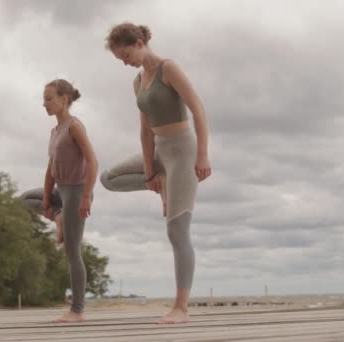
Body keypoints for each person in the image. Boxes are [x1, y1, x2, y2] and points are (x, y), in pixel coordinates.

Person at [100, 22, 212, 324]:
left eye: (124, 55)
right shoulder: (138, 81)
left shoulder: (168, 69)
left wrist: (202, 154)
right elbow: (144, 131)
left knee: (177, 232)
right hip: (159, 151)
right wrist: (150, 172)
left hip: (184, 152)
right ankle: (162, 184)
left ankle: (181, 308)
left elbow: (198, 109)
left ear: (138, 42)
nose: (124, 63)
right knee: (108, 178)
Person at [20, 79, 98, 323]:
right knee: (26, 199)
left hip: (76, 191)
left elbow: (93, 161)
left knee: (72, 252)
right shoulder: (54, 131)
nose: (44, 104)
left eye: (48, 99)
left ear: (64, 99)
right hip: (59, 190)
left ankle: (77, 310)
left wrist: (86, 196)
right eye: (43, 99)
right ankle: (59, 216)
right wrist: (46, 198)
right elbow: (50, 168)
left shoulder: (75, 126)